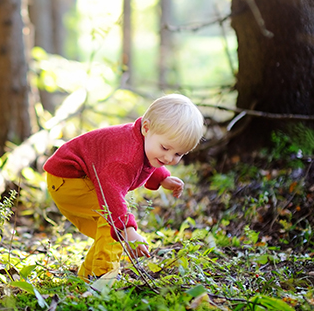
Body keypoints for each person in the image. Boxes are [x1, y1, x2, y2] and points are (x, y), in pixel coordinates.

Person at [43, 94, 203, 280]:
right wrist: (128, 230)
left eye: (178, 154)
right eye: (165, 148)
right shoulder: (124, 157)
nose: (168, 158)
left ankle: (88, 276)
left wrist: (162, 178)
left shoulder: (142, 140)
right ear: (146, 128)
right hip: (69, 178)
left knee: (108, 228)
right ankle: (103, 277)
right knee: (114, 223)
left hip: (74, 178)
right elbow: (111, 192)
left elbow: (147, 161)